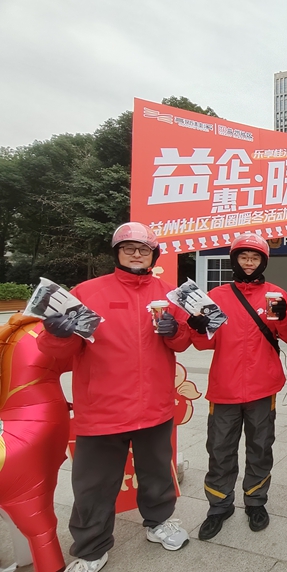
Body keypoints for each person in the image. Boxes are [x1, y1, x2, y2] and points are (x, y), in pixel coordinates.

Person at [37, 222, 192, 572]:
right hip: (101, 409)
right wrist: (57, 333)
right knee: (93, 484)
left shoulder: (169, 295)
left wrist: (175, 331)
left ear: (154, 255)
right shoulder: (87, 292)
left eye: (143, 249)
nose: (136, 254)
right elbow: (59, 353)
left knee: (157, 474)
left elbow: (182, 342)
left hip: (154, 406)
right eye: (128, 248)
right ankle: (91, 548)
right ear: (116, 253)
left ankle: (158, 522)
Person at [187, 233, 287, 540]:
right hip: (225, 388)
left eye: (255, 257)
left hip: (263, 387)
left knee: (260, 447)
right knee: (219, 450)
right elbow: (203, 344)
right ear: (234, 260)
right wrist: (197, 328)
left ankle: (256, 501)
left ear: (263, 261)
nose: (249, 262)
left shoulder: (276, 295)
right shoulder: (216, 296)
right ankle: (219, 506)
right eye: (244, 257)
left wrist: (284, 318)